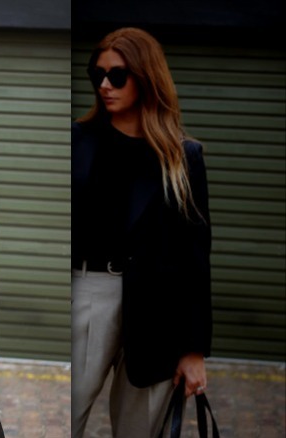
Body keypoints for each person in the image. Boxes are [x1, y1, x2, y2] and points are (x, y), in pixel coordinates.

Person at [70, 27, 212, 437]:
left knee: (141, 428)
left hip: (158, 309)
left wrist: (193, 349)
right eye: (97, 74)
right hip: (88, 292)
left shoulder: (183, 157)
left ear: (146, 77)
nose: (104, 85)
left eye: (117, 75)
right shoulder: (78, 140)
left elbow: (195, 256)